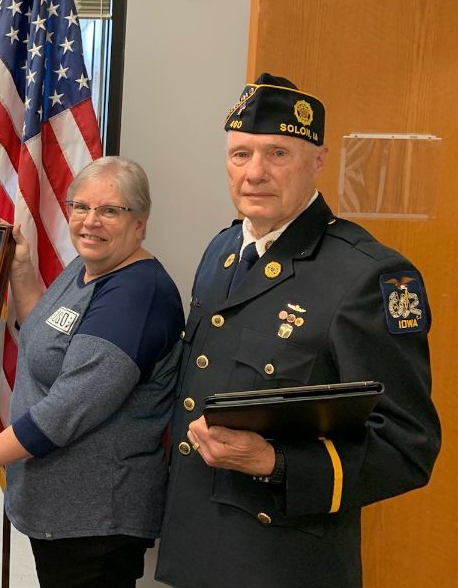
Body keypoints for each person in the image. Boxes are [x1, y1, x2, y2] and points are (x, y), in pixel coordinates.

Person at [155, 74, 441, 588]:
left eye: (278, 154)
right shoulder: (221, 252)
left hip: (281, 562)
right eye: (241, 154)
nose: (255, 173)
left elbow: (407, 446)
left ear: (318, 160)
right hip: (197, 546)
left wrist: (275, 460)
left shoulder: (367, 276)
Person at [0, 156, 185, 588]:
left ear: (140, 223)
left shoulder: (135, 296)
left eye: (110, 210)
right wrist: (20, 268)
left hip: (95, 520)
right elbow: (43, 336)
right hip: (61, 509)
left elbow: (65, 411)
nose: (91, 221)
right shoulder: (88, 269)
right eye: (81, 207)